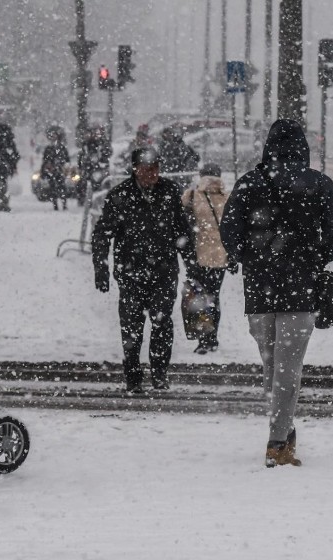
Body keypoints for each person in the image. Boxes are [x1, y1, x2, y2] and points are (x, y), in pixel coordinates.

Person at [220, 119, 333, 468]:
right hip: (300, 290)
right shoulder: (317, 184)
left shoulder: (250, 183)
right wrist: (313, 257)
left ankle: (279, 437)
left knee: (271, 365)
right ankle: (282, 438)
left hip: (260, 293)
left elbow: (229, 231)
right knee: (287, 369)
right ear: (302, 148)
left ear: (268, 147)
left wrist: (253, 258)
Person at [92, 147, 197, 393]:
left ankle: (160, 372)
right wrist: (101, 268)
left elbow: (182, 231)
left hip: (163, 270)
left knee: (162, 322)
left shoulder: (169, 192)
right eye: (147, 169)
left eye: (156, 169)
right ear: (135, 169)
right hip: (131, 272)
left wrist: (191, 264)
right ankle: (133, 376)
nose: (152, 174)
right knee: (131, 326)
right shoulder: (120, 195)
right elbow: (102, 234)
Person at [181, 163, 234, 354]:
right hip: (220, 256)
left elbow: (182, 224)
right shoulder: (227, 197)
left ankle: (204, 337)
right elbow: (233, 229)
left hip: (197, 255)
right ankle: (212, 338)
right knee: (213, 296)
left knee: (199, 297)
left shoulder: (192, 195)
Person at [0, 123, 20, 212]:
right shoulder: (7, 143)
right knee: (2, 185)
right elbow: (15, 155)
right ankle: (2, 203)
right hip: (3, 168)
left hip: (1, 168)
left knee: (0, 185)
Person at [77, 124, 112, 204]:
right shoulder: (86, 144)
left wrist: (102, 162)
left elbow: (107, 153)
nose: (93, 135)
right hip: (88, 168)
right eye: (91, 133)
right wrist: (81, 166)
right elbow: (81, 155)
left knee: (102, 183)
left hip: (99, 169)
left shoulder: (103, 143)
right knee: (82, 182)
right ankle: (83, 199)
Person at [158, 126, 200, 192]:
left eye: (169, 133)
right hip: (171, 171)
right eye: (166, 133)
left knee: (180, 189)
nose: (168, 135)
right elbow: (162, 157)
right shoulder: (163, 145)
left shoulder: (180, 143)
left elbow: (186, 156)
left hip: (179, 171)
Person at [40, 126, 72, 211]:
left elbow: (67, 160)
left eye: (55, 135)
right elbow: (45, 161)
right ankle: (55, 205)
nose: (53, 137)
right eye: (52, 135)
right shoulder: (48, 149)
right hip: (52, 171)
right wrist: (45, 169)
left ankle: (64, 204)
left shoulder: (62, 148)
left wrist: (63, 166)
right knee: (53, 188)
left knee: (62, 187)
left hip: (60, 171)